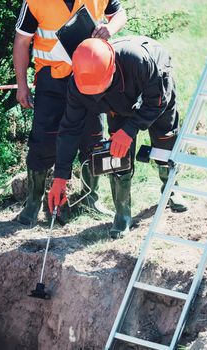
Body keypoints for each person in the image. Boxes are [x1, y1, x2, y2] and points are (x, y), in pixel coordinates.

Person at [48, 36, 188, 239]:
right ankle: (122, 215)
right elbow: (69, 129)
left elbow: (158, 102)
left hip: (155, 93)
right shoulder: (76, 86)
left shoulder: (139, 61)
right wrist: (60, 177)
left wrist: (130, 130)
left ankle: (171, 188)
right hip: (118, 106)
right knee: (117, 154)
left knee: (164, 140)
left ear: (111, 69)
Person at [13, 0, 127, 227]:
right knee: (42, 140)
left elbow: (120, 13)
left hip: (91, 77)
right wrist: (21, 85)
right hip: (51, 79)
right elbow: (22, 41)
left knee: (94, 138)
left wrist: (109, 28)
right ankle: (33, 203)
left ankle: (89, 199)